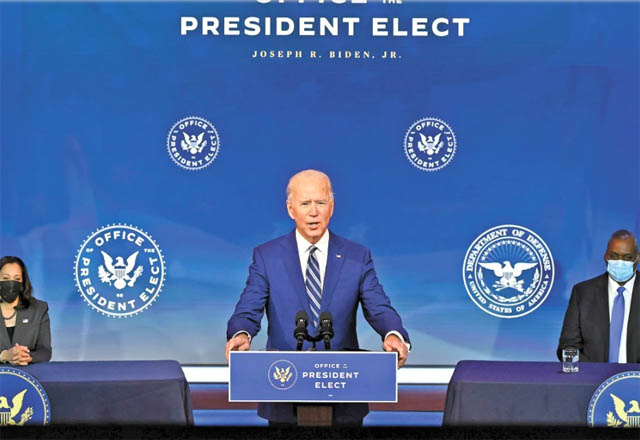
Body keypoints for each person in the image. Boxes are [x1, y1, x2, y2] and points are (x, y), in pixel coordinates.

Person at [225, 169, 410, 425]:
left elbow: (379, 307)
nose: (313, 212)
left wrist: (394, 334)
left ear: (331, 207)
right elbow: (248, 308)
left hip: (344, 395)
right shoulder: (267, 257)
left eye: (320, 203)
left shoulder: (357, 256)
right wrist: (241, 334)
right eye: (305, 203)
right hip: (282, 391)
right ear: (291, 209)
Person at [557, 230, 639, 363]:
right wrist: (592, 371)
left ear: (637, 258)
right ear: (605, 256)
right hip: (591, 375)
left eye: (627, 257)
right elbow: (568, 347)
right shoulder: (583, 293)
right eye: (614, 256)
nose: (620, 262)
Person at [0, 256, 52, 365]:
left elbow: (45, 351)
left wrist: (26, 357)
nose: (11, 283)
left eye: (17, 279)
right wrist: (4, 356)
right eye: (6, 278)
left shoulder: (39, 309)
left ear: (23, 282)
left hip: (27, 375)